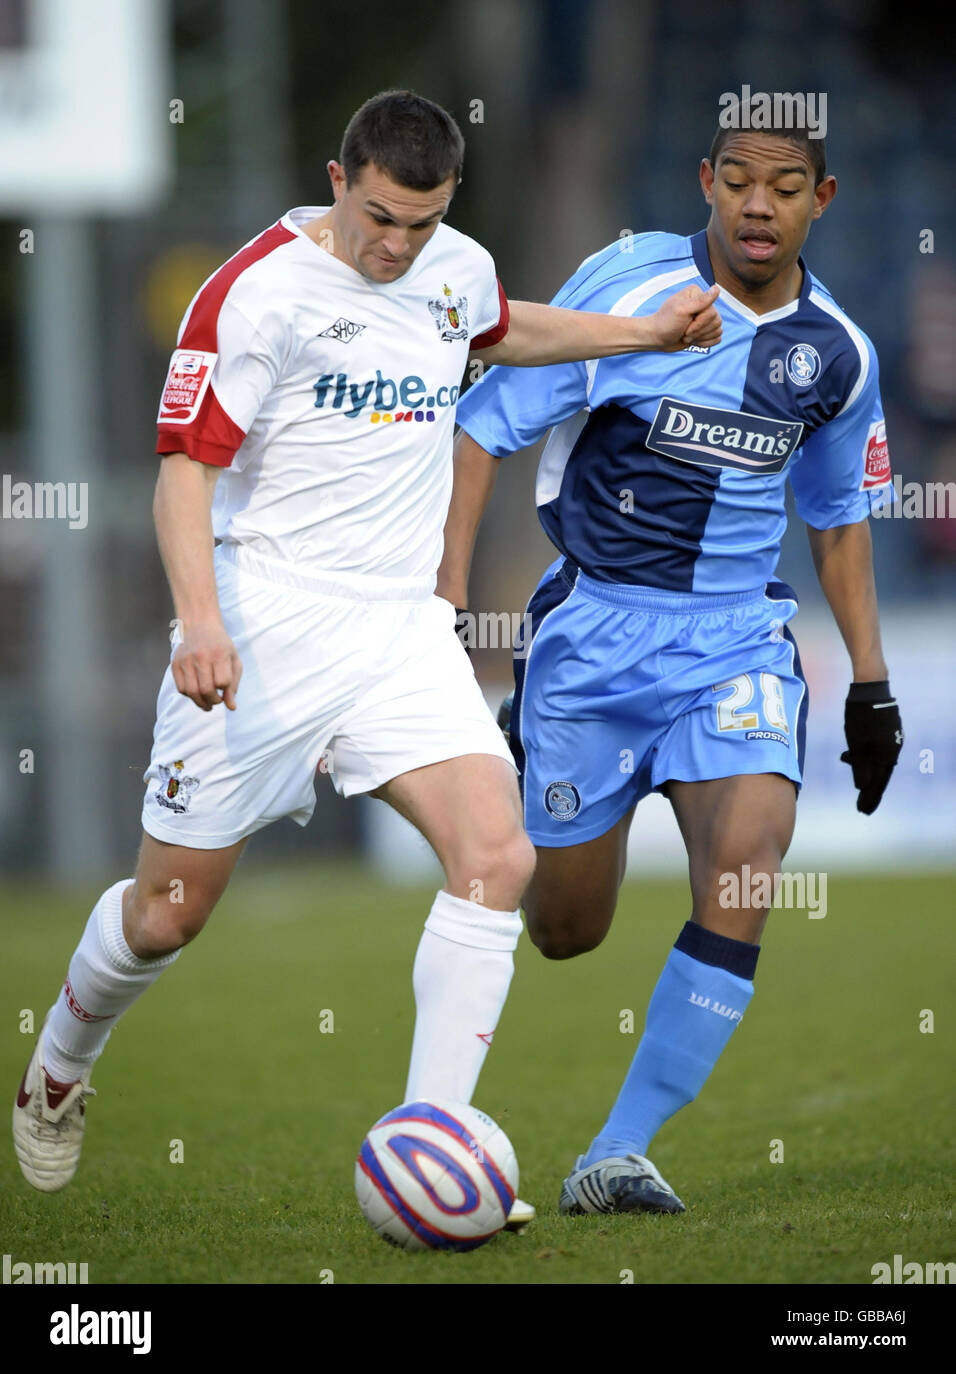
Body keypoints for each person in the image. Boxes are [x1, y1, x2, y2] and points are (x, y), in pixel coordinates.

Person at [13, 89, 722, 1227]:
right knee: (167, 913)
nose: (396, 245)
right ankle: (56, 1066)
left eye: (422, 221)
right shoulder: (254, 292)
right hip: (264, 623)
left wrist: (643, 333)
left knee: (496, 850)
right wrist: (198, 620)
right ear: (337, 180)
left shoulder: (452, 265)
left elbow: (499, 327)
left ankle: (427, 1150)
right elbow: (184, 471)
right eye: (381, 217)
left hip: (397, 629)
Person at [443, 113, 904, 1215]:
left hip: (733, 640)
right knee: (564, 928)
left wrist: (872, 683)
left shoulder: (835, 352)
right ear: (703, 181)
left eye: (782, 187)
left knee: (748, 863)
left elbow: (837, 518)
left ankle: (618, 1149)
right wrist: (444, 604)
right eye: (736, 181)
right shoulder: (627, 283)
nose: (756, 205)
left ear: (819, 200)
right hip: (592, 636)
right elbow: (483, 426)